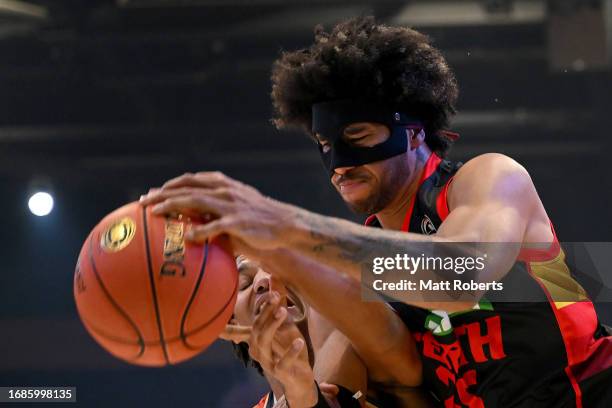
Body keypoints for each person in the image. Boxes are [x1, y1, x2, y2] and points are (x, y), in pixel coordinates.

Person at [141, 16, 612, 407]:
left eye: (358, 138)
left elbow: (458, 276)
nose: (341, 164)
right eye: (325, 146)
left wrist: (281, 225)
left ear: (410, 133)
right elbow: (347, 387)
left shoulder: (486, 178)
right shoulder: (356, 268)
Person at [223, 255, 367, 408]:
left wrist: (303, 394)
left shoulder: (366, 337)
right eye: (245, 283)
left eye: (277, 267)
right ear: (233, 323)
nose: (264, 280)